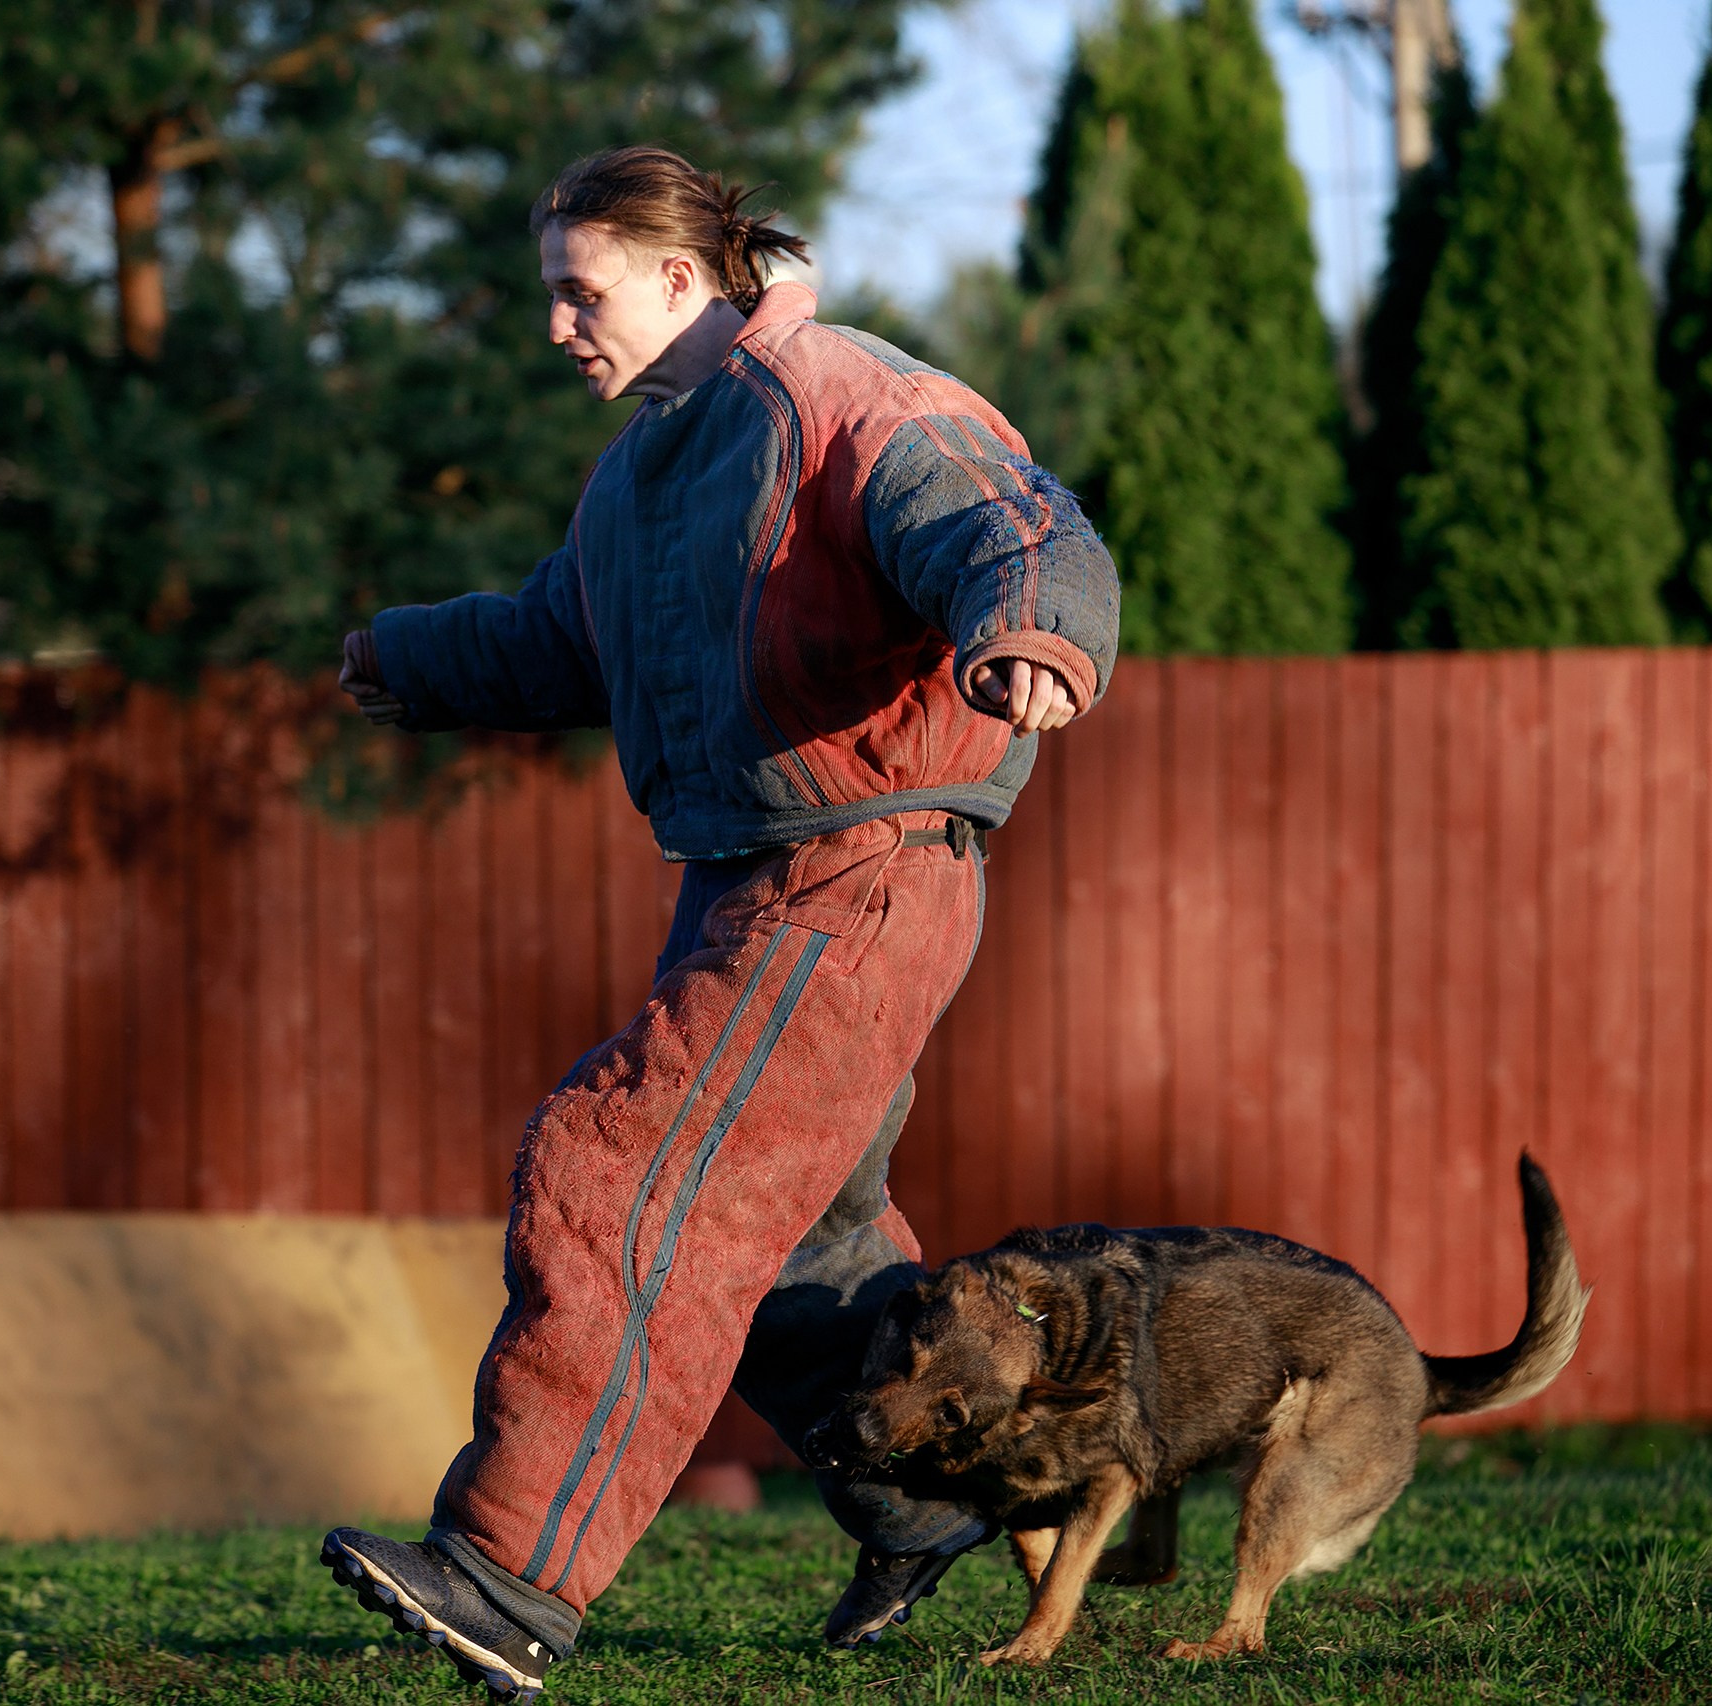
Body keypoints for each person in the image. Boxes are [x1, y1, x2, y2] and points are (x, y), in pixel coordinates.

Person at [320, 144, 1120, 1701]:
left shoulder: (842, 394)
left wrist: (1032, 628)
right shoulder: (640, 477)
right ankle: (935, 1491)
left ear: (683, 277)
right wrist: (409, 659)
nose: (556, 326)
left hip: (863, 872)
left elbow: (1011, 521)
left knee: (622, 1175)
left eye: (579, 290)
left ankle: (508, 1572)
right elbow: (564, 634)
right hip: (745, 884)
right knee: (796, 1242)